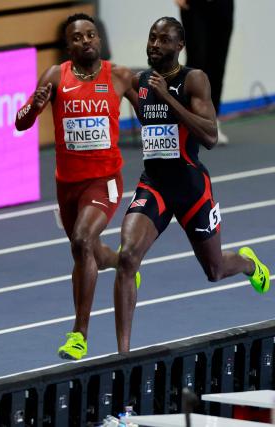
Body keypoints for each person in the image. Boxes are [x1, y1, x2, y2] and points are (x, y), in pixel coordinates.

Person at [114, 17, 270, 354]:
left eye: (164, 39)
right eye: (151, 37)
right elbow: (121, 87)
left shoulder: (193, 80)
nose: (155, 44)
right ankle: (122, 355)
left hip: (192, 190)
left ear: (179, 46)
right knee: (127, 259)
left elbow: (211, 136)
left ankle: (247, 262)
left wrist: (168, 99)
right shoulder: (141, 82)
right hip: (154, 185)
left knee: (214, 270)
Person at [15, 13, 139, 361]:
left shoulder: (119, 76)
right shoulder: (56, 76)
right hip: (67, 184)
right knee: (86, 250)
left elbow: (150, 115)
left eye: (91, 34)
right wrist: (35, 107)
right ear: (68, 46)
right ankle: (124, 265)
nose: (86, 41)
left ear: (98, 39)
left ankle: (79, 334)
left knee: (83, 240)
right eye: (78, 37)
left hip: (105, 180)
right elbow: (21, 122)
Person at [176, 0, 233, 144]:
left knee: (218, 64)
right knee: (197, 61)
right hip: (194, 5)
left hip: (221, 5)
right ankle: (189, 122)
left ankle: (211, 122)